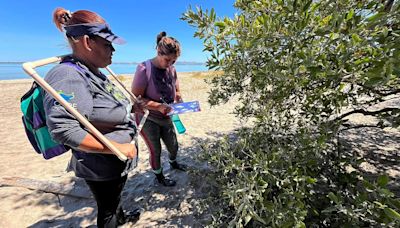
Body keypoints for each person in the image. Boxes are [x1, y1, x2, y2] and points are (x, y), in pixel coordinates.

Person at [43, 8, 140, 227]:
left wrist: (132, 107)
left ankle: (122, 216)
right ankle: (117, 218)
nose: (113, 49)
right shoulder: (67, 76)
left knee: (113, 199)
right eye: (107, 44)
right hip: (100, 165)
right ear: (87, 42)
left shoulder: (92, 69)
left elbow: (103, 108)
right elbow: (63, 129)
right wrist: (115, 148)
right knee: (107, 212)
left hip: (115, 162)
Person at [131, 31, 187, 187]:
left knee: (173, 146)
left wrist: (179, 98)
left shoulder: (172, 69)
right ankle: (160, 177)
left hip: (167, 115)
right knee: (155, 150)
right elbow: (136, 100)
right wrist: (158, 106)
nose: (170, 64)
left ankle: (174, 163)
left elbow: (177, 89)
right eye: (167, 60)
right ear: (158, 52)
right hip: (147, 117)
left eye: (174, 61)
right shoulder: (144, 68)